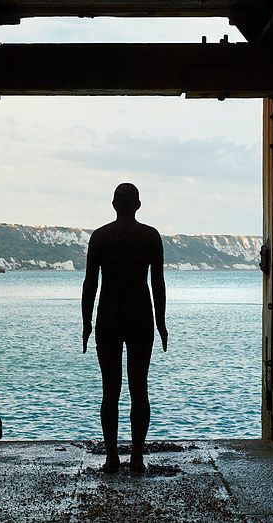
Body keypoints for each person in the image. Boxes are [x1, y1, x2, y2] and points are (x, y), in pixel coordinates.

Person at [82, 183, 167, 474]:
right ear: (138, 205)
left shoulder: (100, 236)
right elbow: (158, 283)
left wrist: (86, 322)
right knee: (139, 389)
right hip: (141, 317)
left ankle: (111, 457)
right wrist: (161, 322)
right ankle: (137, 456)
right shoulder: (150, 236)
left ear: (113, 205)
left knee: (110, 391)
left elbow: (90, 283)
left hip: (108, 317)